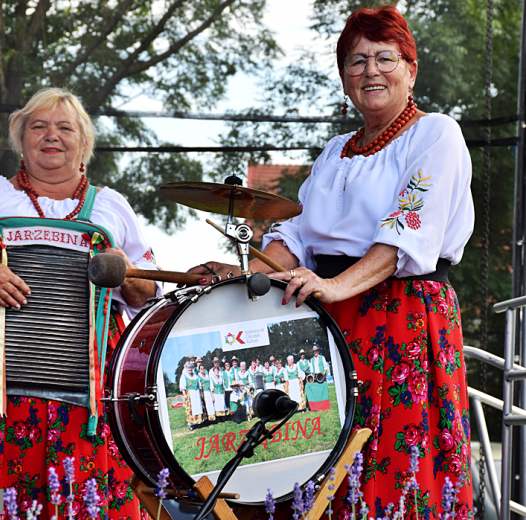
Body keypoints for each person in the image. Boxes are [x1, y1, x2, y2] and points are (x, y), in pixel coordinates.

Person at [187, 5, 473, 512]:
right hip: (327, 316)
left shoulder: (436, 134)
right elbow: (297, 233)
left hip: (399, 312)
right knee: (318, 464)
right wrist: (240, 277)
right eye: (357, 61)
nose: (371, 71)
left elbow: (407, 228)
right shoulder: (335, 150)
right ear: (344, 79)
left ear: (411, 69)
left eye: (385, 58)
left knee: (390, 459)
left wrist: (337, 285)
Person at [0, 87, 161, 517]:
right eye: (39, 126)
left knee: (86, 497)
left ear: (83, 143)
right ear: (20, 138)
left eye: (65, 127)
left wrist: (127, 268)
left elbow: (146, 294)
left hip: (88, 387)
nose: (52, 136)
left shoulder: (111, 206)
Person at [306, 345, 332, 411]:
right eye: (314, 351)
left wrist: (323, 374)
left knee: (323, 388)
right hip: (315, 375)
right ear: (313, 352)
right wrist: (311, 377)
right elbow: (311, 369)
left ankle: (324, 405)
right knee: (315, 389)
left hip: (321, 375)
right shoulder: (311, 360)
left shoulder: (322, 357)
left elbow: (325, 366)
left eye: (316, 351)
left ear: (318, 351)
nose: (315, 352)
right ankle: (316, 406)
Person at [180, 362, 204, 430]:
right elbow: (182, 387)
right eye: (188, 368)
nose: (190, 369)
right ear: (186, 368)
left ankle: (198, 422)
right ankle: (191, 424)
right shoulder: (184, 376)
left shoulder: (196, 376)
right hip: (190, 393)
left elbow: (200, 386)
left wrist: (201, 394)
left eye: (191, 368)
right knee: (191, 409)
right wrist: (184, 395)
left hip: (196, 393)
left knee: (198, 407)